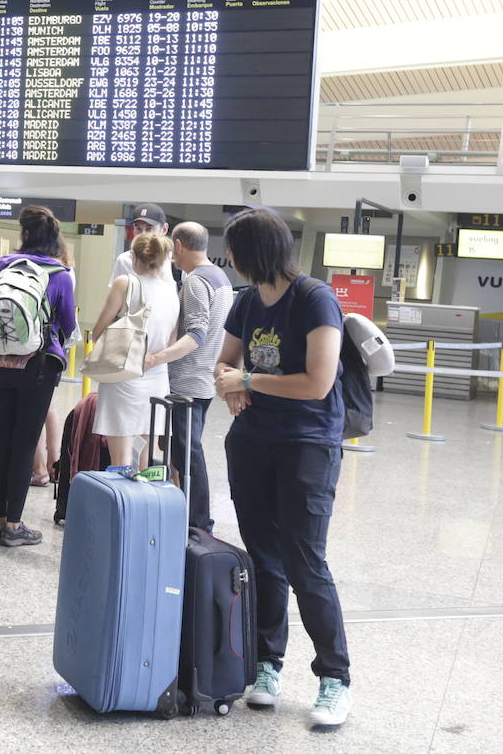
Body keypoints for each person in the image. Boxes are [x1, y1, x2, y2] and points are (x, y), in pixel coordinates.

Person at [213, 207, 352, 727]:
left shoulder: (315, 298)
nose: (229, 257)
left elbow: (317, 383)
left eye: (233, 249)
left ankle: (335, 678)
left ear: (254, 251)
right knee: (264, 560)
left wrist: (248, 382)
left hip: (307, 444)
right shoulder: (247, 301)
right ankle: (267, 664)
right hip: (252, 442)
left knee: (304, 562)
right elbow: (224, 362)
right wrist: (231, 382)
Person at [0, 206, 77, 547]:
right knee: (24, 443)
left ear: (24, 235)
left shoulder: (5, 266)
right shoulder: (61, 275)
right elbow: (69, 326)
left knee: (1, 440)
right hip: (37, 367)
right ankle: (13, 525)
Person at [142, 222, 233, 530]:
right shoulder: (220, 278)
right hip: (204, 380)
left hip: (188, 381)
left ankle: (199, 522)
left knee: (187, 453)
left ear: (178, 246)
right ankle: (189, 516)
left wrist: (157, 358)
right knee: (182, 451)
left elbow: (196, 334)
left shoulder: (195, 281)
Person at [91, 233, 180, 467]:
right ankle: (141, 492)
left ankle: (120, 492)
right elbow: (171, 341)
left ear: (134, 257)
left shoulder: (126, 283)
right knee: (143, 459)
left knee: (121, 461)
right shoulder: (172, 292)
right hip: (157, 379)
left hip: (124, 376)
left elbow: (98, 331)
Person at [110, 203, 177, 283]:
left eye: (149, 229)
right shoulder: (124, 260)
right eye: (138, 229)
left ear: (164, 229)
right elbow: (116, 289)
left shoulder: (174, 260)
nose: (143, 235)